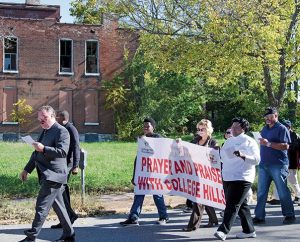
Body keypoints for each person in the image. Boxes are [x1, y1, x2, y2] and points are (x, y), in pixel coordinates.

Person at [19, 105, 75, 242]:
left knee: (41, 206)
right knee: (60, 208)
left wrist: (44, 148)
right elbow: (36, 153)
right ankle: (69, 235)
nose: (41, 120)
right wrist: (27, 169)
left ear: (52, 116)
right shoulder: (44, 131)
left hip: (54, 175)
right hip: (47, 175)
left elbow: (62, 152)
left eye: (44, 117)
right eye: (39, 118)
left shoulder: (61, 131)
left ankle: (31, 237)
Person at [214, 117, 260, 241]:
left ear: (243, 128)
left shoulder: (249, 141)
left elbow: (256, 160)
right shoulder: (228, 141)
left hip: (242, 177)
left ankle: (223, 230)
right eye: (232, 126)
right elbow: (222, 158)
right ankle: (249, 230)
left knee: (232, 204)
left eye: (236, 127)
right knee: (241, 204)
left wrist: (243, 155)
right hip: (228, 176)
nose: (233, 129)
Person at [120, 118, 169, 226]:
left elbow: (162, 152)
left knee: (157, 195)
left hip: (155, 173)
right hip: (143, 173)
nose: (145, 128)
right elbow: (138, 159)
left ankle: (164, 217)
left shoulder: (158, 138)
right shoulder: (142, 140)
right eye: (144, 126)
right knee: (139, 194)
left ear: (153, 127)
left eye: (148, 126)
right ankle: (133, 218)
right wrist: (135, 176)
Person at [253, 107, 296, 225]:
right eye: (266, 117)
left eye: (270, 116)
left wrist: (269, 143)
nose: (267, 119)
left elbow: (285, 146)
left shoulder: (282, 128)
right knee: (261, 192)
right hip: (263, 164)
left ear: (276, 115)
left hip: (278, 165)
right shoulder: (264, 129)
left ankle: (289, 215)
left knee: (282, 191)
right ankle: (259, 216)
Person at [182, 119, 219, 232]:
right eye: (198, 129)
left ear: (208, 130)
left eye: (202, 129)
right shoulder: (194, 141)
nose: (200, 131)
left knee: (199, 199)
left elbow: (216, 157)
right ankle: (213, 220)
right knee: (204, 198)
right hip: (195, 174)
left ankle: (192, 225)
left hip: (208, 175)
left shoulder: (213, 142)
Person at [51, 110, 80, 229]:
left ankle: (69, 216)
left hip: (69, 163)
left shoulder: (71, 128)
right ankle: (67, 217)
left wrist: (76, 165)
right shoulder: (60, 128)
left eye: (57, 117)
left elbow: (76, 146)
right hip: (62, 162)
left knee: (60, 188)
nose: (56, 119)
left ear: (63, 118)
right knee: (62, 189)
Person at [267, 119, 300, 205]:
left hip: (291, 161)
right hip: (280, 161)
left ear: (289, 127)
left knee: (292, 180)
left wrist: (283, 146)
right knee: (277, 178)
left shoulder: (294, 135)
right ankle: (277, 198)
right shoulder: (280, 134)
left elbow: (294, 147)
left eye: (285, 127)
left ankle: (298, 196)